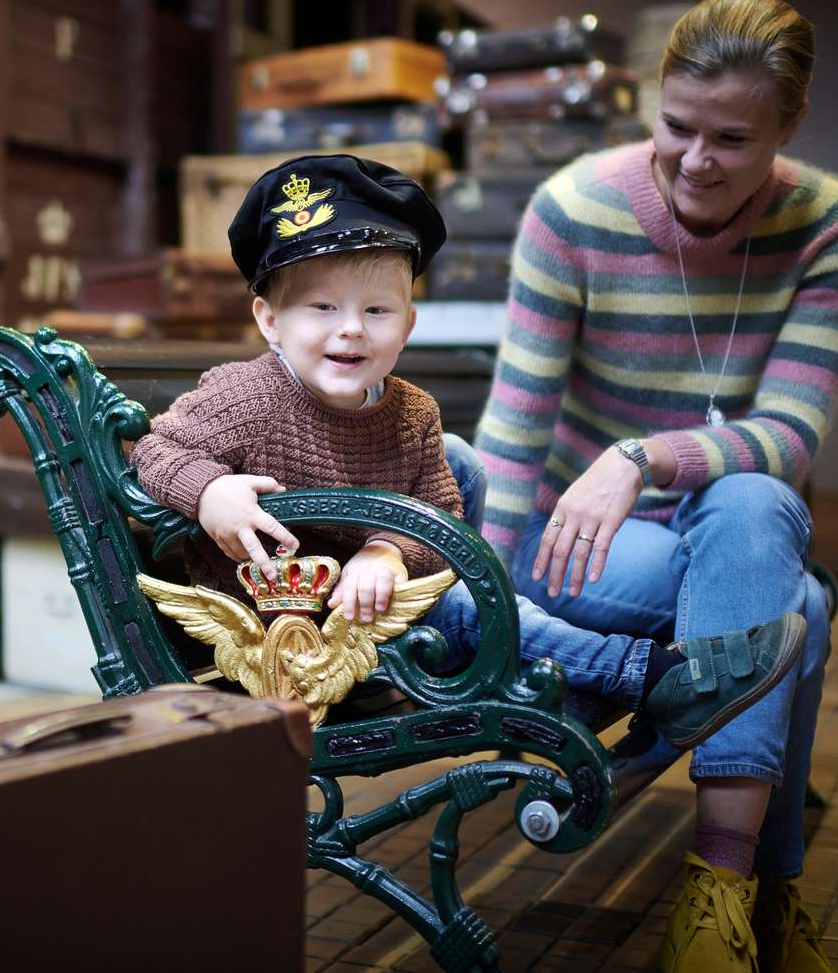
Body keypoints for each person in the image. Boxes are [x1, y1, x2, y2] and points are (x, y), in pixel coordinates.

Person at [129, 152, 803, 757]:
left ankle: (604, 680)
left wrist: (388, 551)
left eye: (377, 311)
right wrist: (210, 491)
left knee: (468, 566)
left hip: (376, 610)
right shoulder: (246, 397)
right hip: (290, 636)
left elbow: (440, 506)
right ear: (269, 320)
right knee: (464, 604)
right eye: (321, 307)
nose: (350, 329)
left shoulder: (412, 411)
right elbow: (156, 449)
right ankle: (653, 678)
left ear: (408, 325)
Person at [474, 0, 838, 973]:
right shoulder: (572, 210)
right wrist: (479, 581)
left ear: (788, 126)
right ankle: (761, 895)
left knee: (756, 505)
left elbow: (789, 431)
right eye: (675, 126)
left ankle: (719, 895)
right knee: (797, 614)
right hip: (575, 542)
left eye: (731, 137)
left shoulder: (832, 223)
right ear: (651, 103)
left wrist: (643, 457)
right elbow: (516, 427)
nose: (695, 159)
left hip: (723, 519)